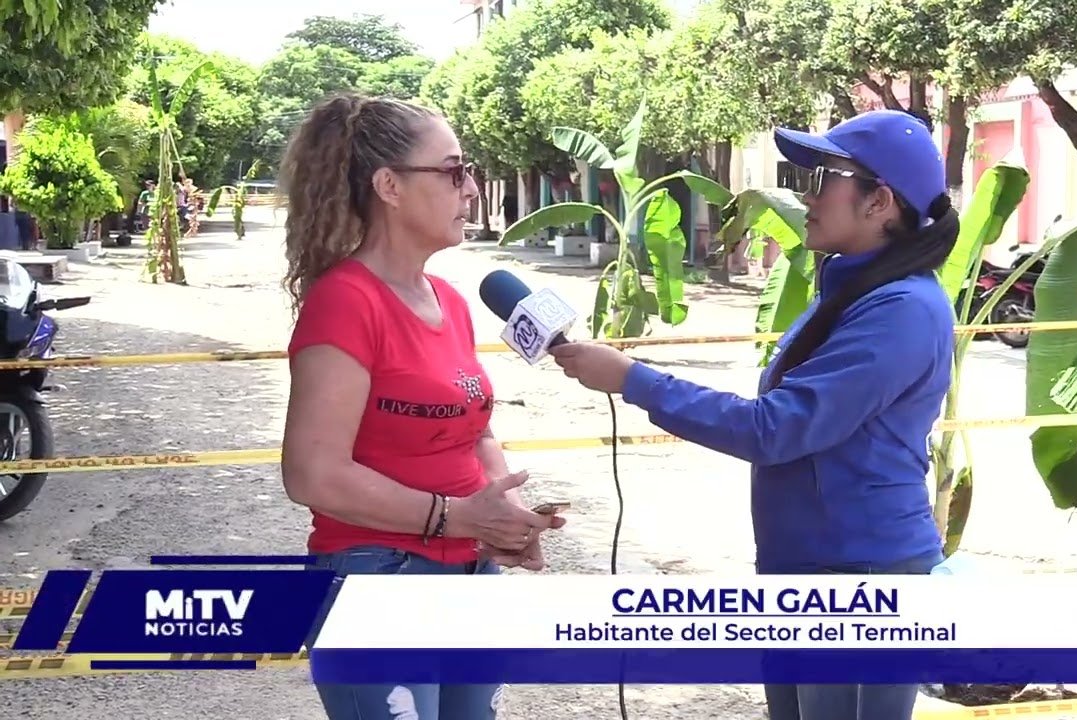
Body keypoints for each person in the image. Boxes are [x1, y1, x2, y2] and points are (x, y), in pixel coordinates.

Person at [549, 109, 960, 720]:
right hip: (810, 563)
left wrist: (633, 379)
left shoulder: (899, 308)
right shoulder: (851, 288)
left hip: (858, 573)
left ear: (880, 202)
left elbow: (776, 428)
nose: (807, 197)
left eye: (824, 180)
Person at [278, 92, 565, 720]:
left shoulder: (449, 300)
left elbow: (474, 430)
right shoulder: (346, 302)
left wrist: (506, 516)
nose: (471, 190)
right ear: (389, 186)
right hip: (378, 578)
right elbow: (313, 475)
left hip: (469, 575)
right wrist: (457, 518)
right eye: (455, 170)